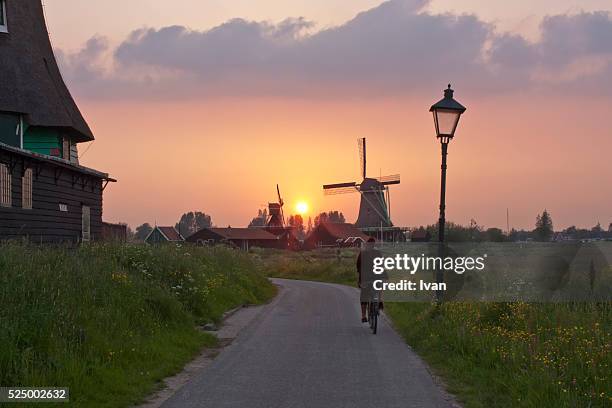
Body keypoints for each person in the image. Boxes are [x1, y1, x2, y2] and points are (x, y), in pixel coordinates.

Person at [356, 237, 386, 323]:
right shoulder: (377, 253)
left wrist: (360, 274)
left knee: (364, 296)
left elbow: (358, 266)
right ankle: (379, 302)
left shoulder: (362, 253)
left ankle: (363, 316)